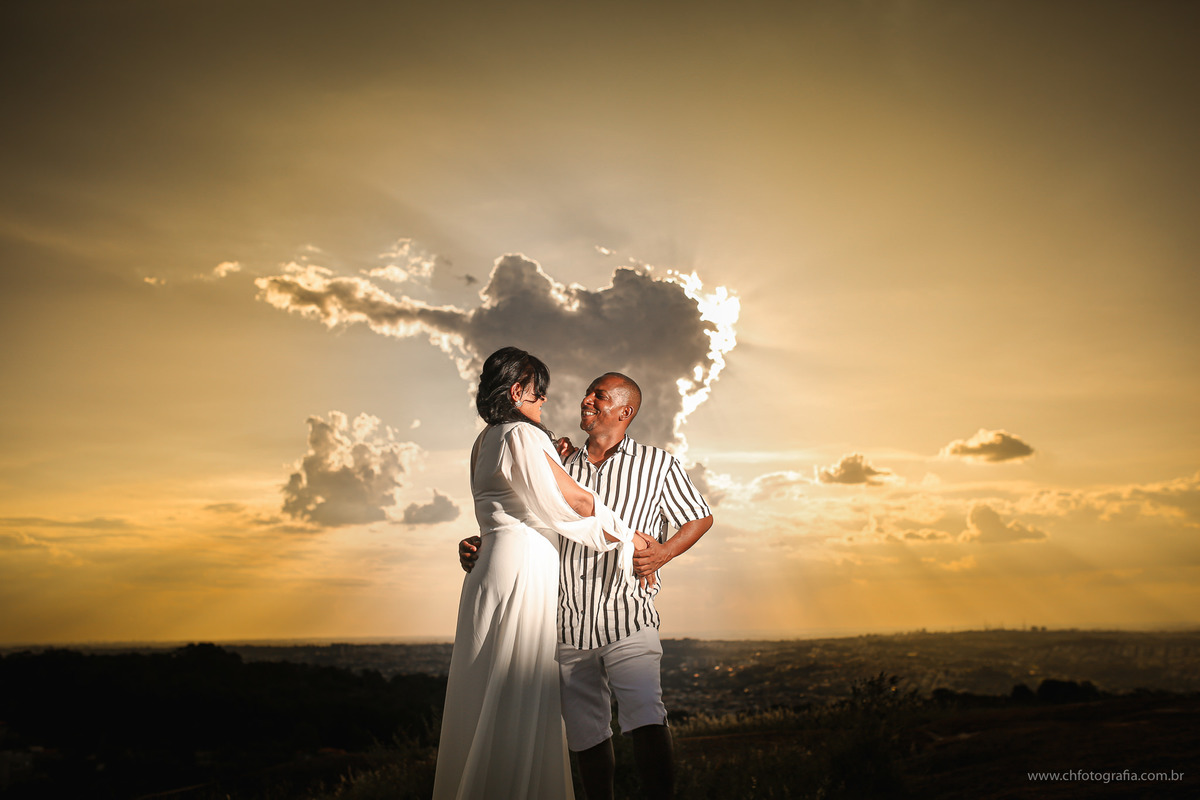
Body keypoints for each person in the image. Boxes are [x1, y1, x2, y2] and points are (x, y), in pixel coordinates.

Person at [461, 372, 714, 799]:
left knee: (646, 717)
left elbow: (700, 515)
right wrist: (481, 542)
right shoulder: (558, 461)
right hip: (566, 621)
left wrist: (664, 552)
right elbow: (525, 520)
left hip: (628, 614)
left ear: (624, 411)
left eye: (599, 395)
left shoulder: (658, 464)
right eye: (587, 393)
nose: (586, 400)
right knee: (586, 734)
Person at [432, 348, 650, 800]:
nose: (545, 401)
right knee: (518, 689)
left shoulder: (485, 440)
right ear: (517, 392)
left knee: (491, 689)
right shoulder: (522, 435)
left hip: (492, 564)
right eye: (539, 393)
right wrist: (630, 536)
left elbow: (500, 507)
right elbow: (575, 502)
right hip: (524, 567)